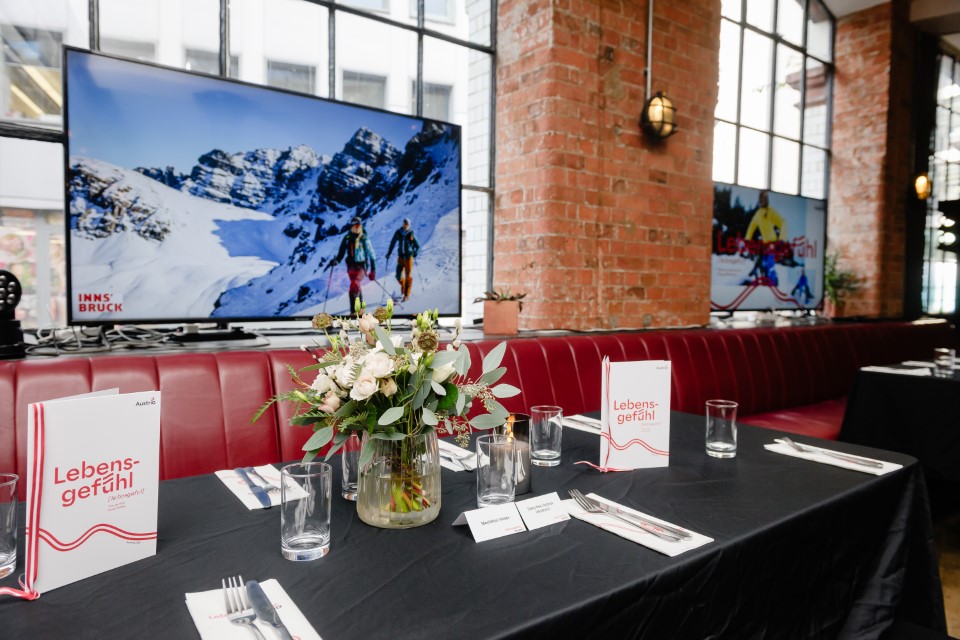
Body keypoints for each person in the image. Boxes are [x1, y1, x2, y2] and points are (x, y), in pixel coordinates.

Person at [330, 217, 376, 313]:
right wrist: (336, 261)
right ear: (351, 226)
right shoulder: (347, 238)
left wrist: (373, 271)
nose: (357, 227)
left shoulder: (364, 238)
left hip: (361, 266)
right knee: (356, 285)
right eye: (355, 225)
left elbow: (372, 255)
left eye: (358, 225)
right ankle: (361, 309)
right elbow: (341, 252)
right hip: (351, 266)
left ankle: (354, 311)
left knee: (355, 283)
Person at [743, 190, 787, 283]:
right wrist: (747, 239)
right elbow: (752, 226)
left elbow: (783, 222)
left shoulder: (771, 211)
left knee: (770, 264)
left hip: (773, 243)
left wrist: (782, 239)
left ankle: (773, 282)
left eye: (765, 198)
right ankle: (764, 280)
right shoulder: (758, 214)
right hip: (764, 244)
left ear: (767, 200)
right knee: (762, 263)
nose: (763, 200)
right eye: (761, 199)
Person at [386, 218, 420, 303]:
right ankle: (404, 286)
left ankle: (406, 295)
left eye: (407, 224)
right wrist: (389, 253)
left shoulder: (411, 233)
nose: (405, 225)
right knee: (398, 275)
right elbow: (393, 242)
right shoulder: (398, 232)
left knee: (408, 276)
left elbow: (417, 246)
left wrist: (415, 253)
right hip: (400, 258)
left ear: (409, 225)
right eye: (404, 224)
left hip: (408, 258)